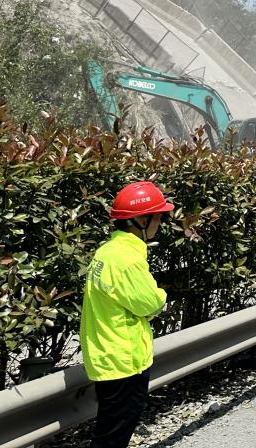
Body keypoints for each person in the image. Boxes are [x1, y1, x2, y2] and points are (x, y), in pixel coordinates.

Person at [80, 181, 175, 448]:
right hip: (124, 359)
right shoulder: (127, 259)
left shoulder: (108, 251)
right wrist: (161, 295)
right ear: (141, 220)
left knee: (111, 429)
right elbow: (149, 304)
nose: (160, 223)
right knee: (113, 436)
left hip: (107, 354)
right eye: (158, 217)